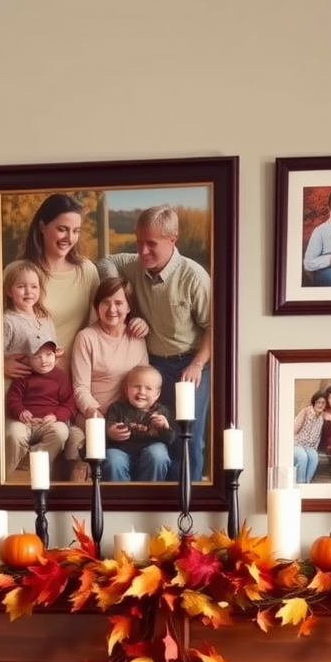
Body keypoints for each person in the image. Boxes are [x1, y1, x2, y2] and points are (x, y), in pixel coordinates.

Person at [98, 205, 211, 483]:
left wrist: (198, 364)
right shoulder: (133, 265)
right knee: (156, 435)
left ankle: (186, 505)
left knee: (187, 436)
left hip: (191, 364)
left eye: (151, 244)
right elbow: (104, 264)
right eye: (139, 242)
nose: (143, 251)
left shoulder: (193, 276)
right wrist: (130, 310)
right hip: (153, 365)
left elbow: (215, 327)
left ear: (173, 239)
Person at [67, 277, 150, 480]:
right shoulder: (86, 338)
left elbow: (147, 381)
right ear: (97, 306)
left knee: (157, 456)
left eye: (119, 303)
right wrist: (102, 424)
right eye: (105, 302)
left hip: (131, 421)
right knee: (114, 462)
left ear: (129, 306)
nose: (112, 309)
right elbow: (80, 389)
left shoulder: (136, 336)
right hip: (96, 419)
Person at [19, 193, 100, 365]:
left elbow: (100, 327)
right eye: (62, 229)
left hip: (74, 379)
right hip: (27, 382)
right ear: (42, 226)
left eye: (75, 231)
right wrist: (3, 362)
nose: (69, 238)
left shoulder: (87, 271)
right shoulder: (17, 271)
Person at [3, 340, 75, 477]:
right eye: (37, 356)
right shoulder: (23, 376)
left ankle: (36, 463)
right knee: (13, 433)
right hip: (24, 422)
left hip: (50, 423)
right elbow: (13, 399)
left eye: (49, 355)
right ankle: (6, 475)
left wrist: (56, 416)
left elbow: (69, 403)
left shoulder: (60, 377)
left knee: (61, 432)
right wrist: (21, 411)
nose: (44, 361)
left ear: (56, 356)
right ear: (28, 359)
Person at [103, 364, 174, 481]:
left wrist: (164, 427)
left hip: (150, 449)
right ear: (126, 389)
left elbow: (170, 440)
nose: (141, 392)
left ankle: (149, 495)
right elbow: (106, 431)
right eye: (136, 386)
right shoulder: (117, 408)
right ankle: (120, 497)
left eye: (148, 388)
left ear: (157, 394)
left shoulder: (161, 411)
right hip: (121, 450)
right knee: (112, 458)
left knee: (158, 454)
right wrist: (111, 433)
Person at [292, 391, 327, 484]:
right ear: (314, 402)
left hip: (310, 446)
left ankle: (307, 483)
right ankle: (300, 483)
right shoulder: (306, 411)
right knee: (303, 457)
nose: (320, 405)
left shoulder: (323, 416)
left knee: (314, 458)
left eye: (323, 403)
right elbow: (294, 428)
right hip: (297, 443)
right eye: (318, 402)